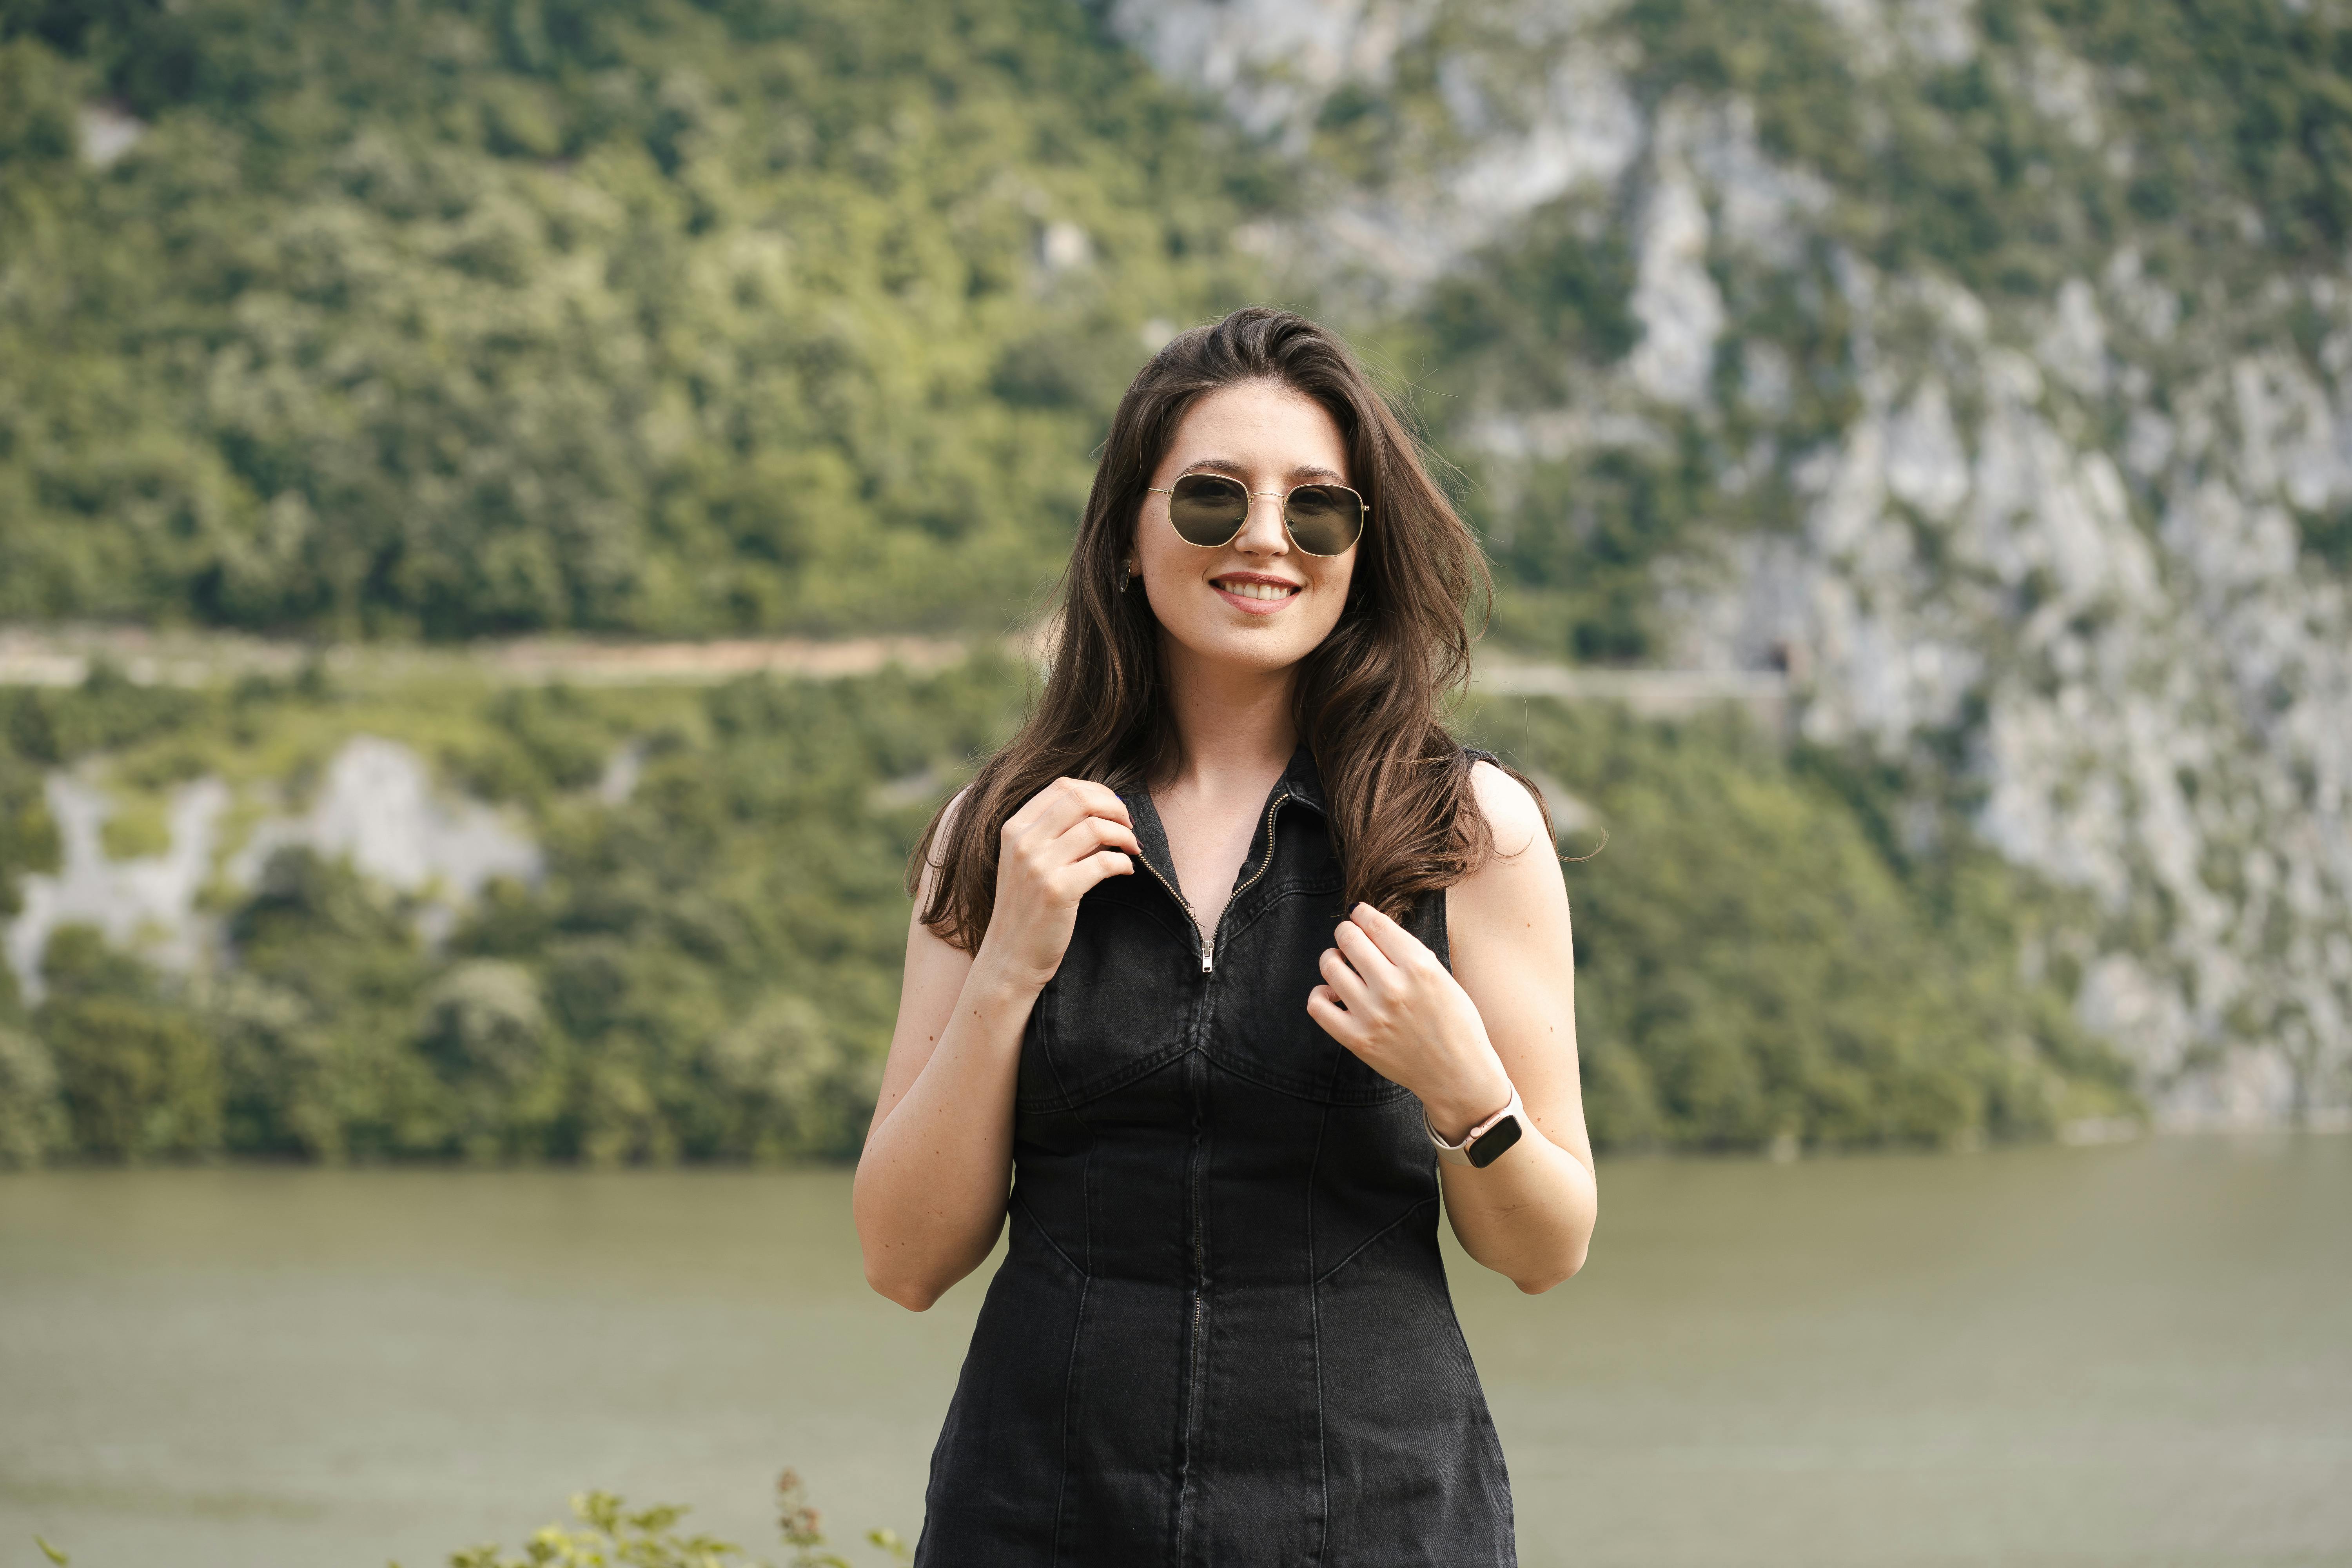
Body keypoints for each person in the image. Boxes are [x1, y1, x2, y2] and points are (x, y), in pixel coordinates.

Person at [852, 306, 1597, 1566]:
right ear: (1130, 541)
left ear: (1361, 550)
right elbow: (907, 1259)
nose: (1266, 538)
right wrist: (1010, 969)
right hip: (1039, 1521)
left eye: (1318, 509)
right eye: (1212, 499)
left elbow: (1544, 1249)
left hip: (1372, 1523)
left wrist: (1464, 1084)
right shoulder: (1000, 836)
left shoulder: (1467, 831)